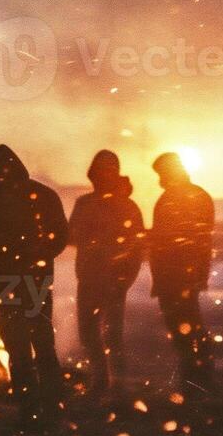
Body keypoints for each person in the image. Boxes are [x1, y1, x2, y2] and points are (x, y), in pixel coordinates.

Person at [0, 144, 68, 428]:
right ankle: (33, 408)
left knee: (37, 343)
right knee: (21, 347)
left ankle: (46, 408)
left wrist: (33, 259)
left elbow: (59, 237)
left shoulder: (39, 196)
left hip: (29, 280)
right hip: (12, 280)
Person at [68, 150, 145, 393]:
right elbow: (71, 236)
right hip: (90, 278)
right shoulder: (86, 203)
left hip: (113, 281)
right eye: (99, 173)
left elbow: (136, 246)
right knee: (89, 334)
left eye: (107, 172)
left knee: (112, 335)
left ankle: (116, 386)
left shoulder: (126, 206)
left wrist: (125, 278)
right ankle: (102, 382)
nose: (102, 177)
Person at [149, 151, 215, 390]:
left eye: (162, 173)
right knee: (185, 324)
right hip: (179, 274)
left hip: (178, 275)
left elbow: (187, 238)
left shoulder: (182, 197)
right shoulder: (190, 195)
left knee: (185, 325)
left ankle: (197, 376)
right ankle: (197, 374)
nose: (160, 178)